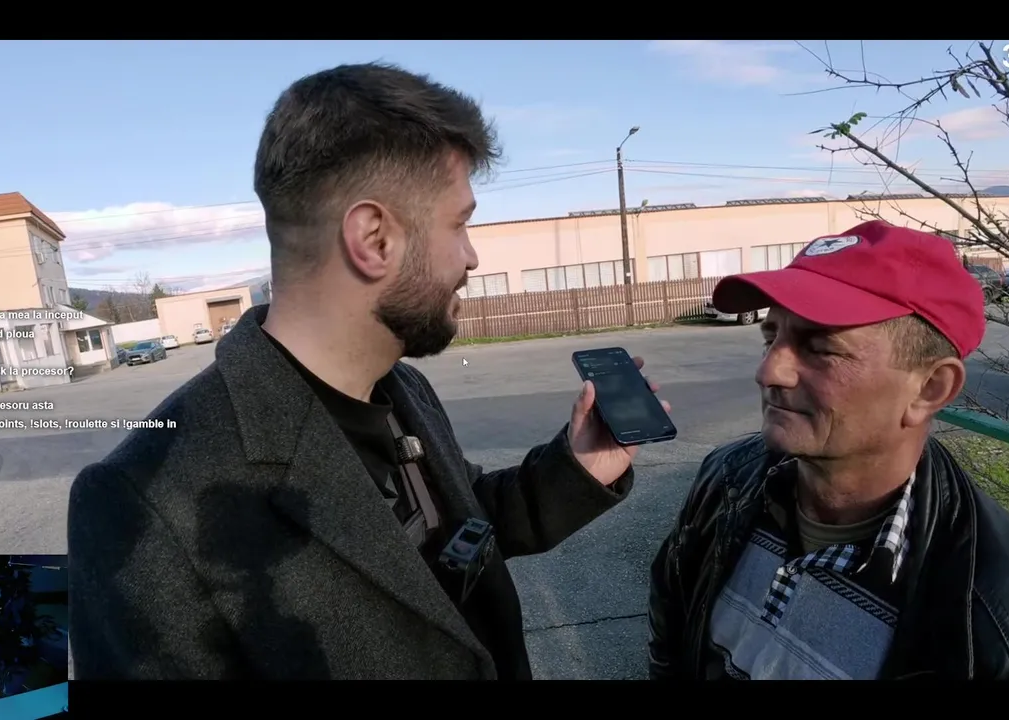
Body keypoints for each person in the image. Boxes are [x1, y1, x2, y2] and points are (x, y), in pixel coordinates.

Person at [67, 62, 668, 680]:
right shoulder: (141, 504)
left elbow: (465, 524)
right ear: (375, 239)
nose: (472, 257)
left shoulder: (402, 387)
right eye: (460, 224)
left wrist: (579, 466)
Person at [647, 220, 1009, 680]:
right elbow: (670, 642)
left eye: (821, 349)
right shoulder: (726, 479)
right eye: (771, 339)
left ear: (929, 388)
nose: (768, 372)